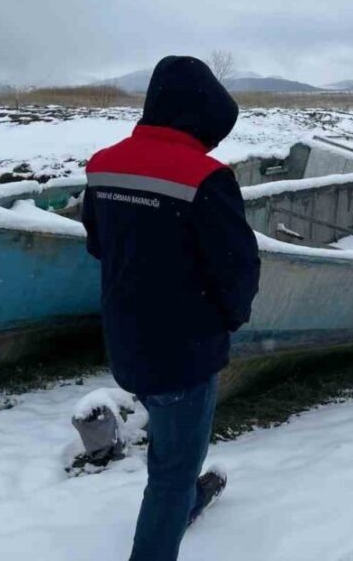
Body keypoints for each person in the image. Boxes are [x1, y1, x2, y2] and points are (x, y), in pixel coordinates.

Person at [82, 55, 261, 560]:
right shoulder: (206, 177)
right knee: (174, 468)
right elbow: (236, 268)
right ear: (198, 114)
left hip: (126, 339)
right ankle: (172, 511)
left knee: (171, 444)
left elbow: (98, 243)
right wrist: (229, 318)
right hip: (186, 349)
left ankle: (182, 501)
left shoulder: (103, 165)